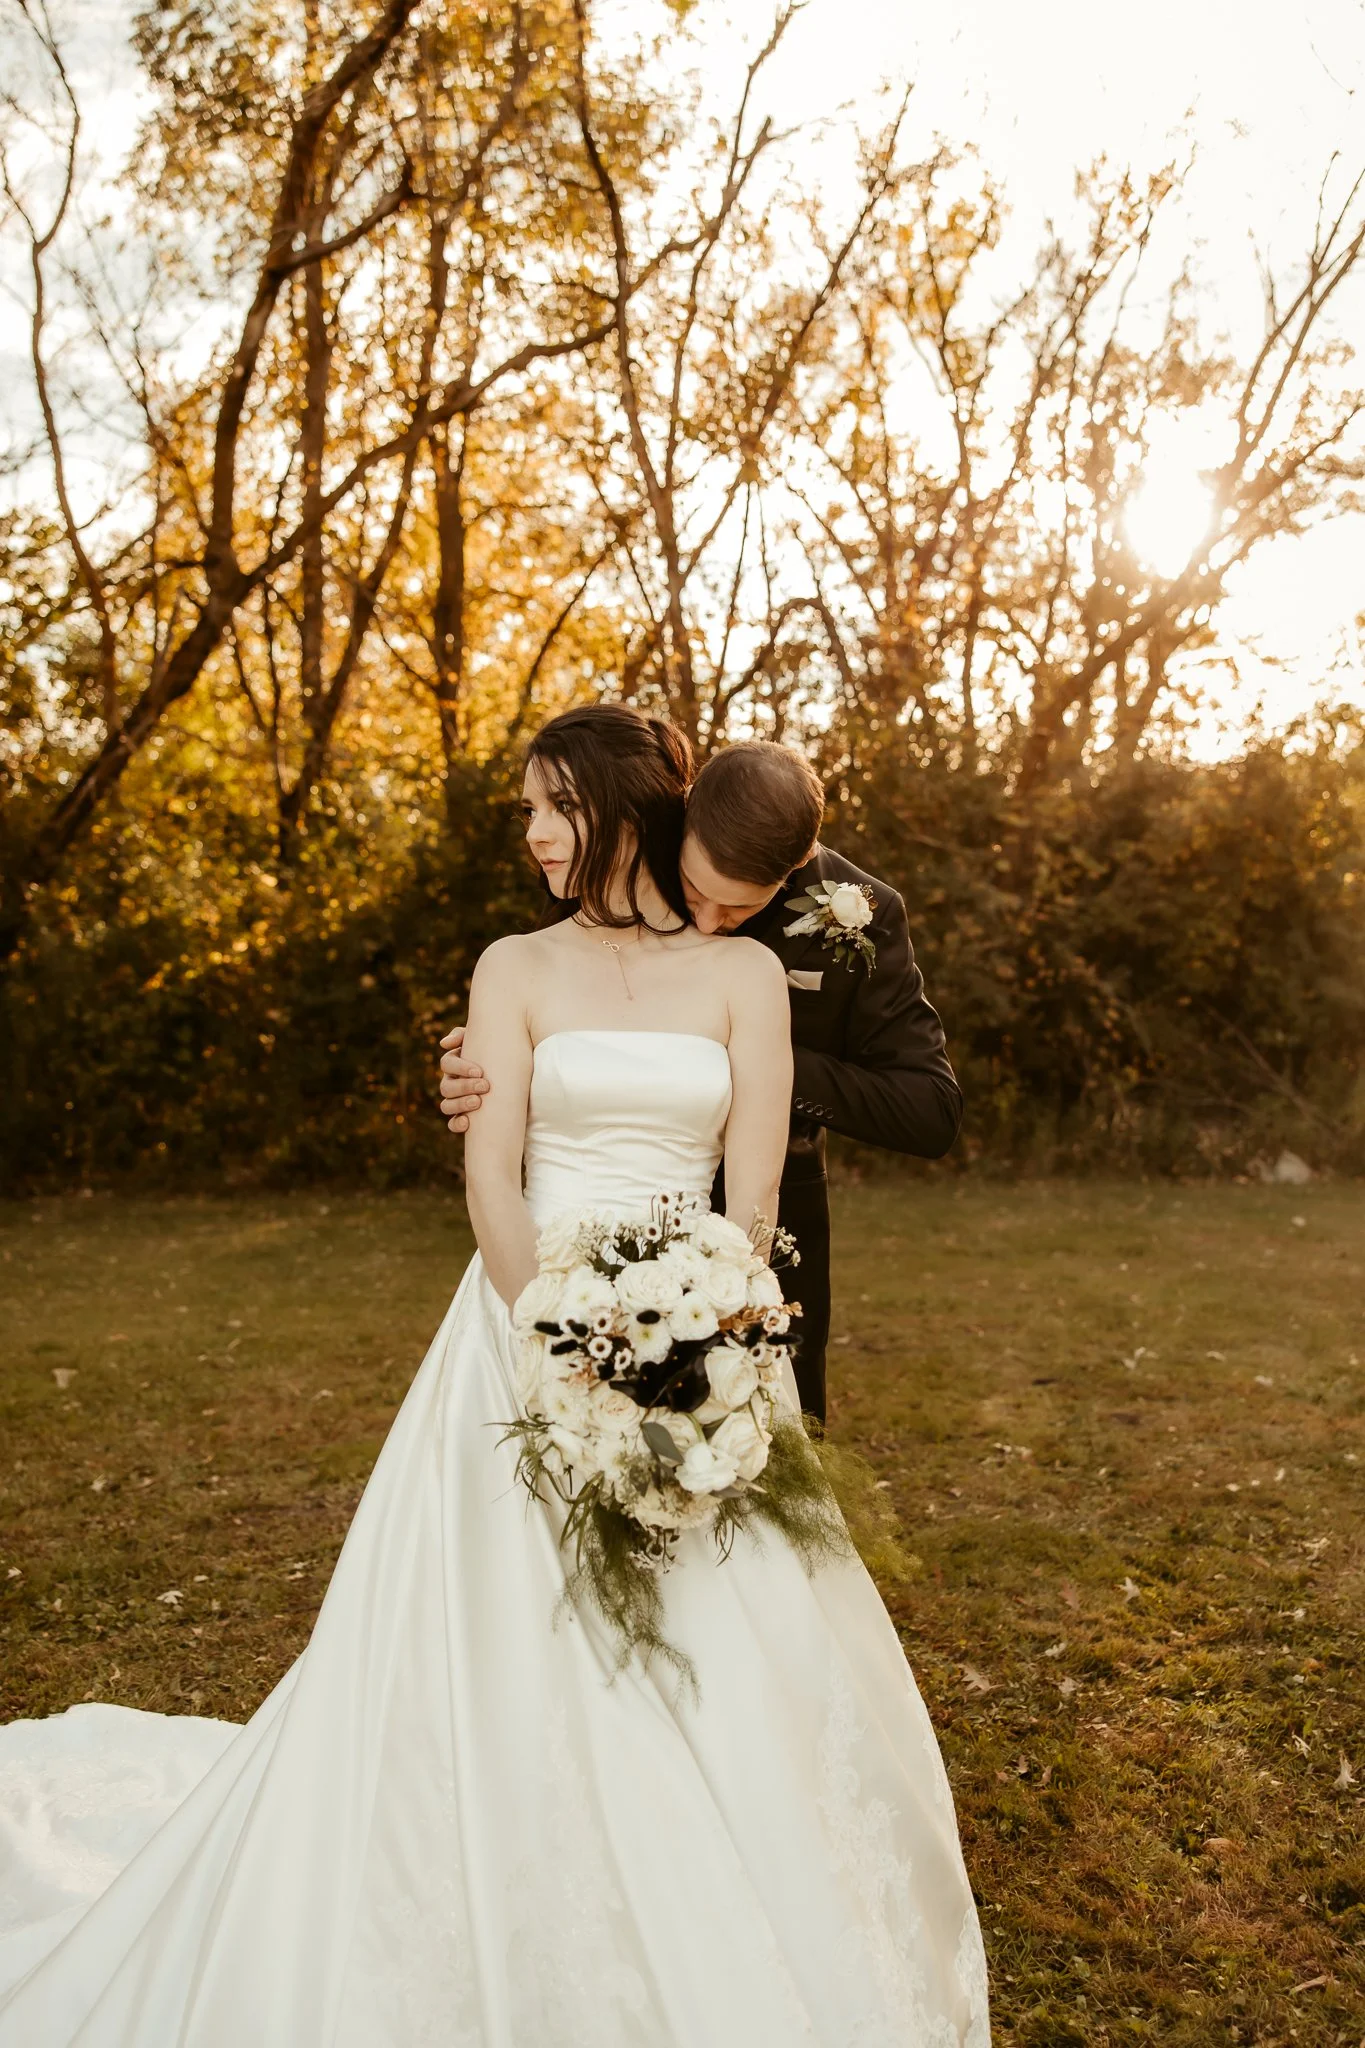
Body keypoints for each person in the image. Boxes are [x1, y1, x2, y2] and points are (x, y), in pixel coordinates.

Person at [0, 704, 989, 2046]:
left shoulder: (794, 944)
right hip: (525, 1314)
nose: (528, 832)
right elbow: (493, 1157)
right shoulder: (519, 963)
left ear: (631, 818)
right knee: (487, 1626)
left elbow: (768, 1188)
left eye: (548, 807)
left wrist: (691, 1332)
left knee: (723, 1617)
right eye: (524, 807)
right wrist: (558, 1334)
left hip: (697, 1311)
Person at [441, 736, 962, 1422]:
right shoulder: (612, 858)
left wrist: (750, 1060)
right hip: (577, 1225)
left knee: (763, 1455)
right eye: (693, 892)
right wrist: (492, 1062)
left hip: (762, 1221)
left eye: (738, 910)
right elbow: (552, 1008)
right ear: (680, 818)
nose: (709, 924)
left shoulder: (860, 912)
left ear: (795, 866)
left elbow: (928, 1111)